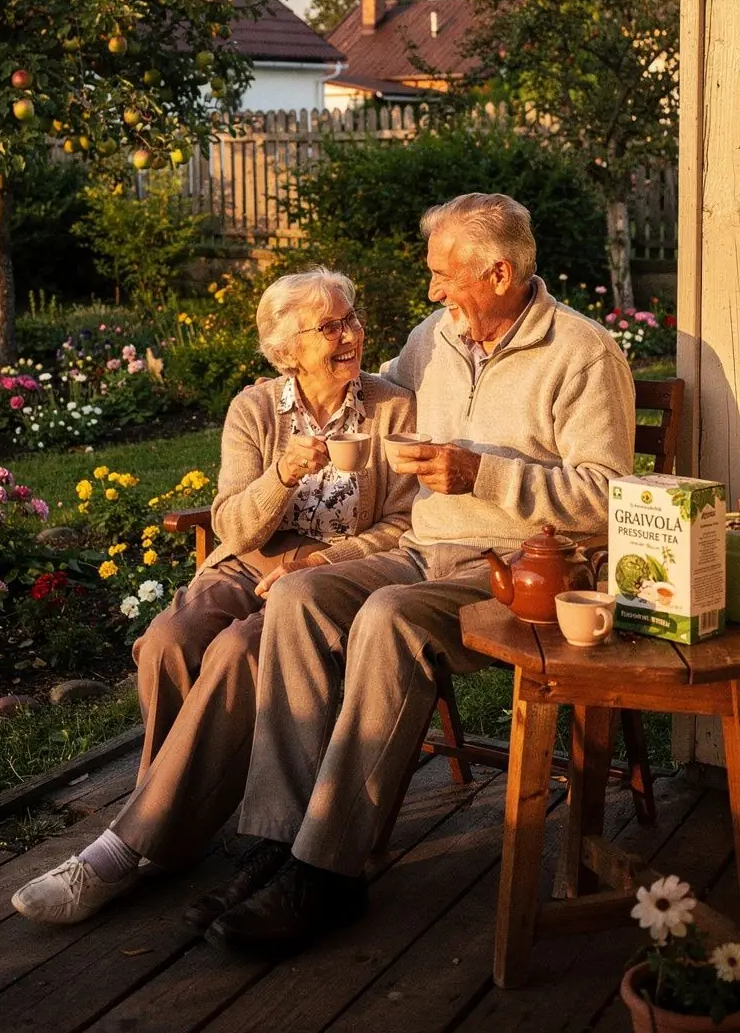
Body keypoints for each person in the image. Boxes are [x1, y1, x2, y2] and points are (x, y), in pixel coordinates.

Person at [202, 192, 636, 954]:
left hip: (514, 570)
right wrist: (299, 395)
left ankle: (326, 874)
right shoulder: (433, 337)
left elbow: (606, 497)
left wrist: (486, 475)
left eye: (443, 274)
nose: (431, 290)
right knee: (301, 597)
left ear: (498, 272)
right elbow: (370, 404)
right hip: (418, 550)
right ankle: (275, 839)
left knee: (388, 618)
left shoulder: (582, 353)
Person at [11, 268, 416, 926]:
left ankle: (124, 849)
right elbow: (231, 524)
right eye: (331, 326)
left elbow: (403, 525)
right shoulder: (254, 409)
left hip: (324, 581)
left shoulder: (394, 408)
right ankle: (171, 829)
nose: (351, 334)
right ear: (287, 349)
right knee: (169, 642)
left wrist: (323, 560)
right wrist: (282, 476)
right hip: (245, 562)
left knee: (235, 652)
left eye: (352, 318)